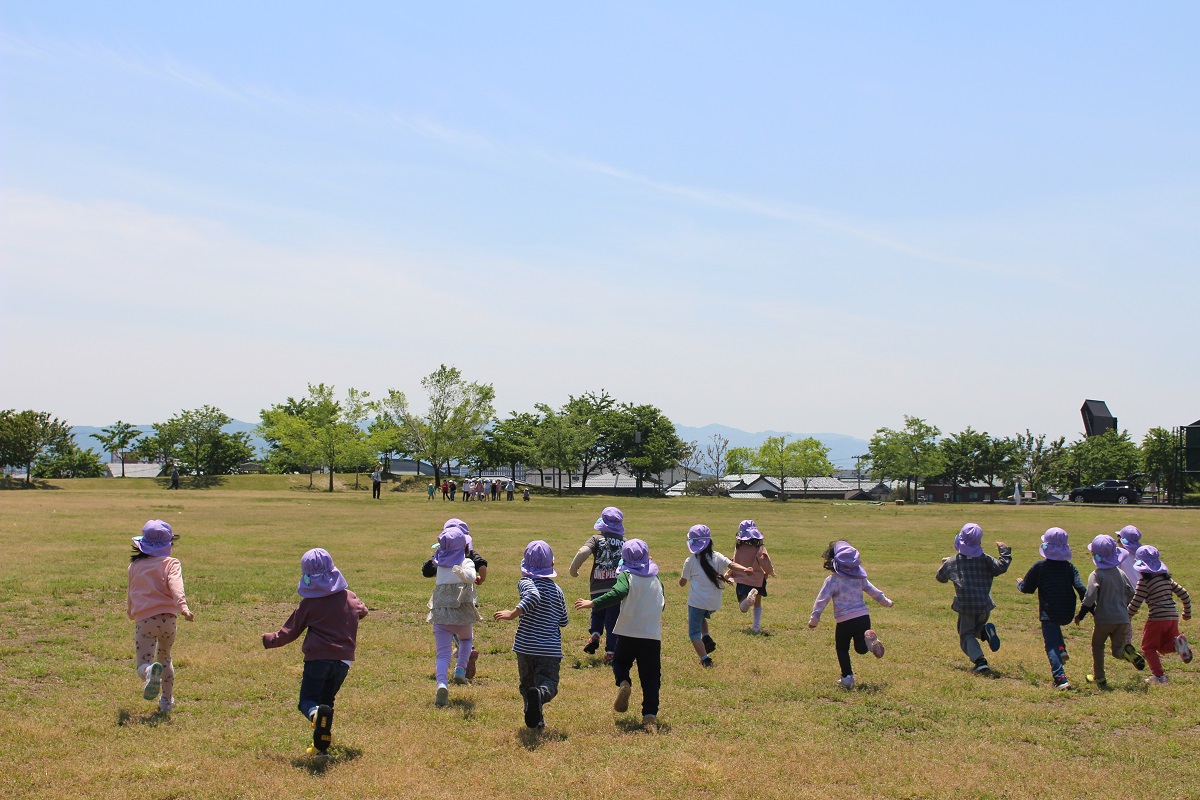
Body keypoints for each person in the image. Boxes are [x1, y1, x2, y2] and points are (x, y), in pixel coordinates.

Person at [262, 548, 368, 756]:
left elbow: (290, 632)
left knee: (308, 701)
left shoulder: (309, 604)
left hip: (318, 660)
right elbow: (362, 611)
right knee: (326, 704)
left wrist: (270, 640)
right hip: (343, 662)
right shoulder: (348, 597)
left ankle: (314, 714)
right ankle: (321, 748)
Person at [574, 538, 665, 730]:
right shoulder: (656, 579)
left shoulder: (626, 577)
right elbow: (662, 603)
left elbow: (618, 592)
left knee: (620, 662)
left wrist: (593, 603)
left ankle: (624, 682)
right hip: (651, 636)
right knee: (651, 677)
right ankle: (650, 716)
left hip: (627, 633)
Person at [493, 541, 570, 729]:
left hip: (525, 647)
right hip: (549, 650)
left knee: (528, 686)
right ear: (552, 564)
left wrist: (513, 613)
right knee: (547, 683)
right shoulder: (557, 589)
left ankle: (536, 718)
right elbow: (564, 620)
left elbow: (533, 596)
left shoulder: (526, 582)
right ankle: (540, 702)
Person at [127, 520, 193, 713]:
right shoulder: (171, 563)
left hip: (145, 621)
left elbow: (131, 592)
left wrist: (131, 612)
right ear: (169, 545)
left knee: (143, 662)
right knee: (165, 658)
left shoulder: (135, 566)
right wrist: (184, 608)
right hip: (168, 621)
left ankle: (148, 672)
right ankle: (166, 702)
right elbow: (176, 587)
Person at [808, 540, 893, 688]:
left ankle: (847, 677)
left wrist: (814, 619)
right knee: (860, 648)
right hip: (863, 618)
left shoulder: (833, 580)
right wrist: (886, 602)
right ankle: (870, 645)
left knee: (842, 648)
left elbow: (821, 600)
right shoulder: (860, 578)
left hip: (844, 621)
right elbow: (874, 592)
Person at [935, 523, 1011, 674]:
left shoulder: (953, 561)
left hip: (966, 606)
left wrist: (945, 564)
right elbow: (1001, 566)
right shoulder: (985, 559)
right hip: (984, 604)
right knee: (975, 629)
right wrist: (1004, 551)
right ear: (980, 542)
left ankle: (980, 661)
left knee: (966, 635)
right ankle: (984, 632)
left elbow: (940, 578)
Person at [1017, 527, 1085, 690]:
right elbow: (1081, 588)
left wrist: (1019, 583)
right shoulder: (1070, 567)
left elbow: (1027, 588)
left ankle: (1060, 678)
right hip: (1067, 611)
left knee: (1050, 645)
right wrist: (1089, 607)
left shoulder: (1040, 567)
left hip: (1049, 612)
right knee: (1056, 634)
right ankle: (1062, 649)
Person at [1074, 534, 1144, 686]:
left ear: (1094, 554)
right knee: (1117, 649)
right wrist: (1123, 605)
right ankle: (1127, 654)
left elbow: (1089, 597)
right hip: (1122, 619)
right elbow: (1132, 592)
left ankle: (1099, 676)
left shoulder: (1096, 575)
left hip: (1104, 619)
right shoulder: (1121, 573)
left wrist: (1081, 615)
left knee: (1098, 646)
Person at [422, 519, 487, 679]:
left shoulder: (441, 556)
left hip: (444, 603)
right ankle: (465, 654)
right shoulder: (468, 554)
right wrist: (481, 578)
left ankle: (447, 672)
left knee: (447, 628)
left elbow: (427, 570)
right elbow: (482, 565)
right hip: (465, 600)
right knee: (463, 629)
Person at [678, 524, 751, 667]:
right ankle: (706, 637)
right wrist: (745, 569)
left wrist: (682, 580)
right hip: (713, 603)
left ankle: (705, 659)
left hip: (697, 602)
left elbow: (682, 583)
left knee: (693, 633)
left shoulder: (691, 561)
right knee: (702, 616)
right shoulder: (717, 556)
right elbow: (732, 565)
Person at [1127, 545, 1193, 686]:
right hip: (1172, 617)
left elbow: (1136, 603)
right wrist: (1186, 612)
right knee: (1163, 647)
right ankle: (1177, 644)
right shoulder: (1166, 580)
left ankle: (1159, 677)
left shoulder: (1144, 582)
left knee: (1148, 648)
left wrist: (1126, 617)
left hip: (1157, 619)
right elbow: (1185, 594)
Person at [569, 506, 626, 662]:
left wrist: (573, 570)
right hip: (616, 589)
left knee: (597, 611)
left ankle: (595, 634)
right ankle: (611, 652)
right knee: (613, 620)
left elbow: (582, 552)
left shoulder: (596, 539)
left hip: (597, 586)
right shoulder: (625, 542)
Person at [731, 520, 777, 634]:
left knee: (743, 608)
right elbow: (764, 560)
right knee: (758, 603)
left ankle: (747, 600)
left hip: (742, 579)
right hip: (757, 579)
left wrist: (729, 574)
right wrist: (769, 572)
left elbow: (733, 561)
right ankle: (756, 626)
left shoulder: (739, 547)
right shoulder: (759, 547)